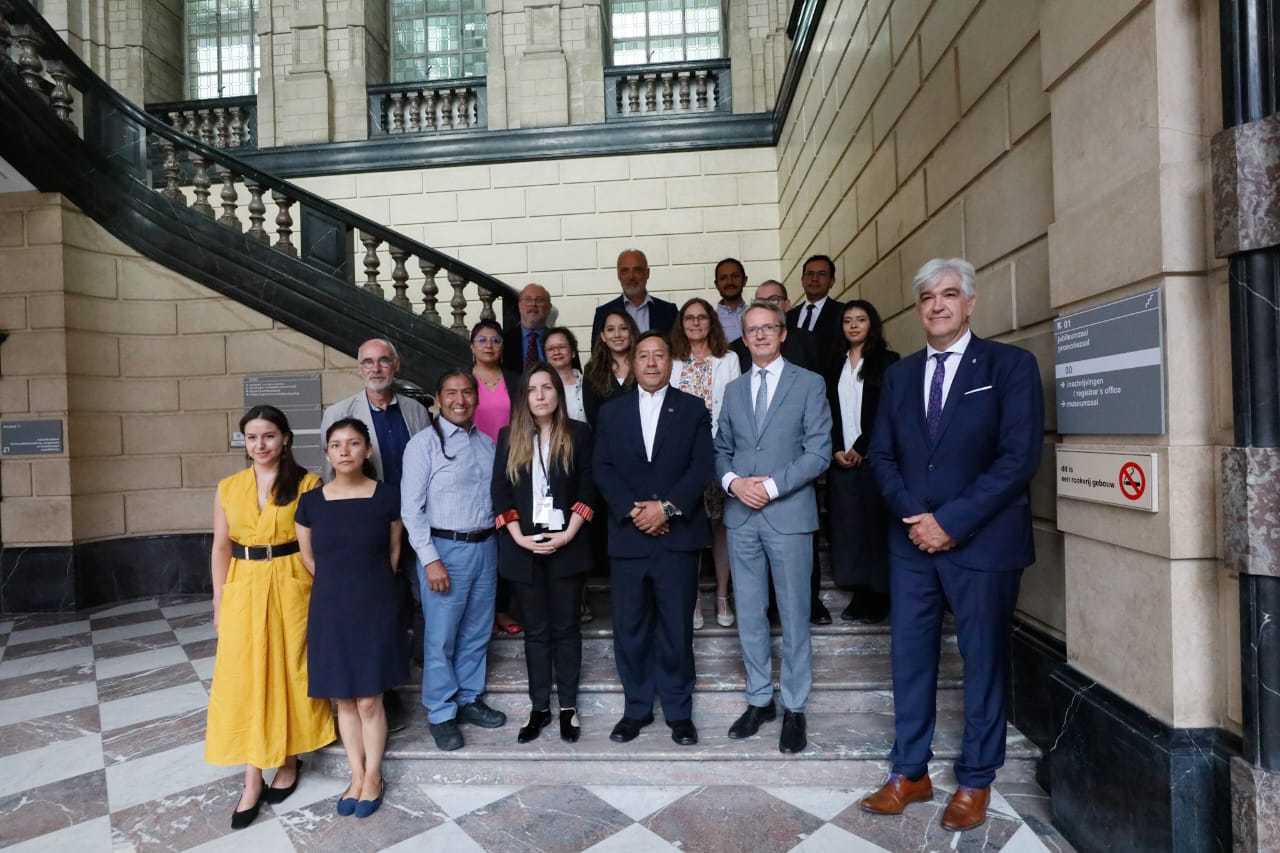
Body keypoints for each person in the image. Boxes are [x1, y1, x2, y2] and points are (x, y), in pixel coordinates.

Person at [862, 258, 1044, 832]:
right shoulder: (899, 374)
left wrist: (951, 520)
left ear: (970, 303)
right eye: (926, 298)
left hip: (983, 544)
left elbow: (1019, 459)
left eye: (948, 295)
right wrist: (912, 513)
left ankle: (975, 779)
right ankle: (909, 772)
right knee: (910, 661)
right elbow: (882, 453)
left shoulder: (1010, 366)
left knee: (983, 661)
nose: (936, 305)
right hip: (910, 540)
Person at [205, 406, 333, 830]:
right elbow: (221, 548)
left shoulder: (307, 483)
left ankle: (290, 758)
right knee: (243, 678)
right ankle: (251, 778)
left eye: (269, 436)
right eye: (252, 437)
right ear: (244, 441)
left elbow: (317, 546)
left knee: (290, 672)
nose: (260, 445)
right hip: (243, 585)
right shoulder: (228, 487)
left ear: (286, 439)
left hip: (292, 582)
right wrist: (219, 600)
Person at [714, 300, 832, 755]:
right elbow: (721, 448)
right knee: (749, 612)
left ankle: (795, 706)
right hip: (742, 517)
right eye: (752, 330)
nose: (760, 335)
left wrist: (772, 485)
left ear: (783, 333)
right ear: (743, 339)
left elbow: (819, 451)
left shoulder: (809, 384)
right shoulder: (736, 390)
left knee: (795, 614)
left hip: (788, 515)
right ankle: (759, 699)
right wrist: (732, 482)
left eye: (768, 328)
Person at [594, 332, 714, 747]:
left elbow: (702, 467)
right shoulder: (611, 413)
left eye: (658, 355)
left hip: (676, 537)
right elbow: (602, 468)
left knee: (676, 627)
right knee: (630, 627)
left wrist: (666, 508)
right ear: (634, 362)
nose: (649, 362)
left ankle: (679, 713)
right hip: (628, 538)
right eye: (642, 355)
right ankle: (637, 709)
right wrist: (634, 510)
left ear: (670, 362)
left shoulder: (693, 408)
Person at [296, 419, 406, 819]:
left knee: (370, 698)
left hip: (375, 604)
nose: (344, 451)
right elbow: (309, 559)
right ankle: (355, 774)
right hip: (330, 606)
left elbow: (393, 553)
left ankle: (374, 775)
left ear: (366, 451)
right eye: (337, 445)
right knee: (343, 696)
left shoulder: (386, 497)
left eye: (353, 443)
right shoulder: (310, 502)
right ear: (327, 454)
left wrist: (371, 585)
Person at [401, 370, 508, 751]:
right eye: (451, 393)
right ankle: (441, 712)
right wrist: (430, 560)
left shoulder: (487, 444)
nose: (459, 400)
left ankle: (469, 699)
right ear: (438, 397)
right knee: (442, 636)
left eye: (466, 392)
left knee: (478, 630)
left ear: (477, 399)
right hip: (445, 551)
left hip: (485, 547)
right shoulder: (423, 445)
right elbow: (411, 511)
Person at [320, 338, 429, 709]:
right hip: (365, 532)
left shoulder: (415, 411)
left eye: (384, 361)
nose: (376, 368)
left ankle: (423, 677)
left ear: (396, 366)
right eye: (368, 362)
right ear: (359, 368)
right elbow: (330, 477)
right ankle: (384, 692)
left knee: (421, 599)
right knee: (377, 612)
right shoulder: (338, 413)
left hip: (415, 523)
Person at [492, 364, 597, 744]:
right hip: (526, 549)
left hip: (567, 545)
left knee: (566, 629)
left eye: (547, 387)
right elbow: (500, 492)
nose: (540, 395)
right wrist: (519, 537)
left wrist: (568, 533)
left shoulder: (579, 434)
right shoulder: (508, 437)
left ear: (558, 393)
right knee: (536, 632)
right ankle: (539, 708)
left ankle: (568, 708)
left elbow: (588, 488)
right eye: (532, 389)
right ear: (524, 397)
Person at [824, 300, 899, 623]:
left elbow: (887, 413)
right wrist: (837, 447)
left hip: (874, 457)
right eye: (848, 320)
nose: (854, 325)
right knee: (848, 527)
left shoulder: (889, 362)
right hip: (840, 458)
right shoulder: (832, 364)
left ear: (873, 324)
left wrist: (863, 446)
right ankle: (858, 591)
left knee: (876, 525)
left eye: (861, 319)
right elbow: (826, 411)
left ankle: (880, 594)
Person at [670, 297, 741, 629]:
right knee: (689, 524)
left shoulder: (728, 359)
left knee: (720, 525)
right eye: (689, 318)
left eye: (701, 318)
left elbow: (735, 407)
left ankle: (723, 595)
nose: (695, 323)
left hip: (720, 451)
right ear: (681, 324)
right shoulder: (672, 361)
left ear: (711, 322)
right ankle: (693, 597)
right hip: (683, 455)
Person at [468, 318, 522, 635]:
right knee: (479, 540)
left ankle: (502, 608)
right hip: (472, 469)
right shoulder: (461, 381)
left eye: (496, 340)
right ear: (471, 346)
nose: (489, 345)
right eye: (483, 340)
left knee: (506, 539)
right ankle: (482, 611)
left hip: (509, 468)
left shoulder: (515, 380)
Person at [730, 281, 818, 373]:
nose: (767, 306)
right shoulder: (737, 349)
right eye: (760, 301)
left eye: (773, 300)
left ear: (787, 305)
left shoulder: (808, 342)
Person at [591, 248, 678, 340]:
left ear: (647, 273)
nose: (631, 276)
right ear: (618, 275)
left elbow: (678, 348)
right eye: (625, 271)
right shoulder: (603, 313)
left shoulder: (669, 312)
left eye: (637, 270)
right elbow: (597, 352)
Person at [583, 308, 639, 427]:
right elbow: (592, 415)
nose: (617, 335)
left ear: (631, 332)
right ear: (603, 336)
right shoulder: (591, 369)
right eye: (610, 330)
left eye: (623, 328)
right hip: (606, 439)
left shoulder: (644, 364)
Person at [786, 254, 845, 357]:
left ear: (832, 281)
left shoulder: (842, 313)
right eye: (809, 274)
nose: (814, 279)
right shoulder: (788, 317)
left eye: (821, 274)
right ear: (802, 279)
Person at [544, 326, 590, 424]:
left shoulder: (590, 384)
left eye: (562, 347)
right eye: (550, 349)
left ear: (573, 352)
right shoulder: (540, 387)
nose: (556, 352)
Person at [503, 283, 554, 373]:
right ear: (519, 306)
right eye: (528, 299)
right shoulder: (504, 341)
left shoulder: (560, 342)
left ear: (548, 308)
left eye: (539, 300)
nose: (533, 304)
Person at [713, 257, 749, 343]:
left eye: (735, 276)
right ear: (716, 284)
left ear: (744, 280)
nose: (730, 282)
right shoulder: (710, 320)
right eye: (723, 278)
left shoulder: (757, 314)